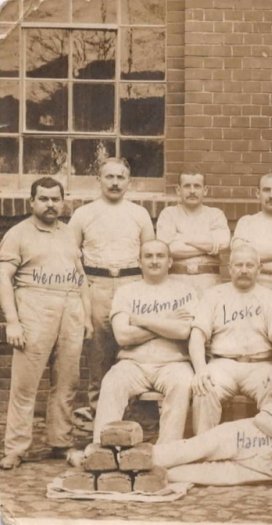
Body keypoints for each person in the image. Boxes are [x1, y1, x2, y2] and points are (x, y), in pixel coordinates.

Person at [0, 178, 91, 469]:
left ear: (63, 202)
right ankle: (15, 448)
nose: (50, 204)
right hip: (34, 307)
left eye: (55, 199)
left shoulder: (69, 234)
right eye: (44, 199)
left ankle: (60, 441)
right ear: (32, 202)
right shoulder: (18, 234)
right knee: (25, 385)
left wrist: (86, 316)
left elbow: (80, 277)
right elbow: (3, 278)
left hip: (70, 306)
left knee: (67, 381)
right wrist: (12, 321)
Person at [68, 157, 155, 415]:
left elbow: (150, 254)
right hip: (97, 284)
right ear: (99, 180)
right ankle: (98, 410)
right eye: (109, 177)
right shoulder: (83, 214)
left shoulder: (139, 214)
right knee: (98, 347)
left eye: (120, 177)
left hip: (131, 283)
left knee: (132, 346)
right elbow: (71, 257)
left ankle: (130, 410)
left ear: (129, 182)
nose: (115, 183)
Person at [94, 240, 197, 443]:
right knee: (112, 382)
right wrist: (167, 324)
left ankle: (167, 451)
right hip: (132, 363)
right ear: (139, 262)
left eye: (160, 256)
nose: (154, 261)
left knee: (183, 383)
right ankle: (101, 448)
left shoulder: (186, 291)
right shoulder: (126, 292)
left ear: (170, 261)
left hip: (173, 363)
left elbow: (184, 331)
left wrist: (141, 321)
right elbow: (123, 336)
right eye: (148, 256)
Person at [189, 245, 272, 433]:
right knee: (204, 389)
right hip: (222, 364)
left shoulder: (270, 298)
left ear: (259, 269)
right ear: (230, 268)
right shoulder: (213, 295)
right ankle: (203, 451)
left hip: (259, 364)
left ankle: (265, 456)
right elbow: (197, 336)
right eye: (238, 265)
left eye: (249, 265)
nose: (243, 270)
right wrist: (200, 370)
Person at [156, 172, 230, 294]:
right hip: (175, 280)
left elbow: (223, 243)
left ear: (205, 190)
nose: (192, 191)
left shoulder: (216, 214)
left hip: (209, 281)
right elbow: (168, 249)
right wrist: (210, 246)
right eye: (187, 186)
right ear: (178, 190)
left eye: (197, 186)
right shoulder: (168, 214)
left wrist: (182, 238)